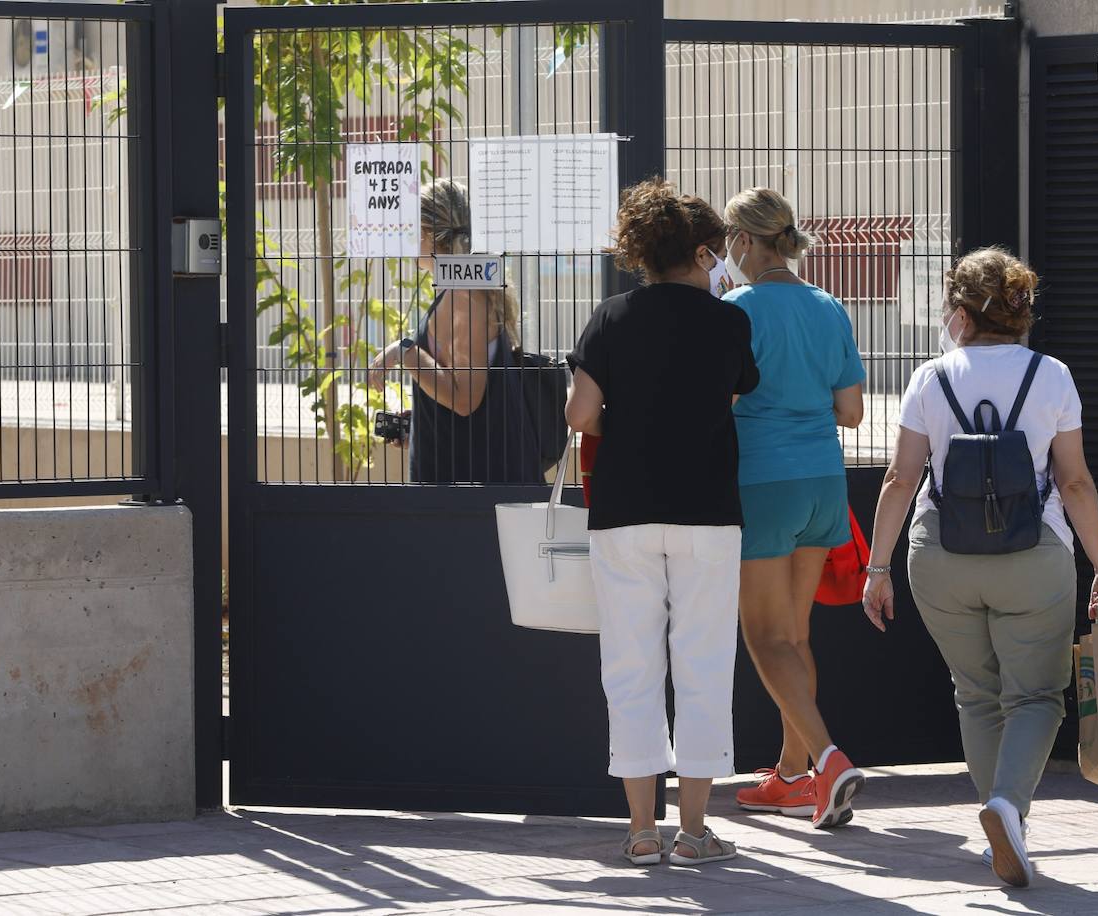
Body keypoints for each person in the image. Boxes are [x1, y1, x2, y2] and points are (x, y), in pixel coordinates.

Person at [862, 247, 1098, 888]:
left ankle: (1000, 830)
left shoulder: (931, 376)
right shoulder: (1052, 375)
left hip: (941, 558)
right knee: (1035, 696)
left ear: (961, 314)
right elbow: (1077, 483)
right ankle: (1007, 808)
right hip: (1033, 558)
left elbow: (899, 478)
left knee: (976, 695)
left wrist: (877, 568)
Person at [566, 179, 758, 866]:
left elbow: (579, 416)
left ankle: (641, 830)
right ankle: (695, 832)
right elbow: (738, 389)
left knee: (631, 666)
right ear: (704, 252)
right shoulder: (729, 321)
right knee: (703, 664)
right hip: (707, 512)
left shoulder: (612, 317)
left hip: (622, 512)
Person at [721, 188, 868, 828]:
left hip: (763, 482)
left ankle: (829, 759)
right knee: (796, 634)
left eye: (730, 237)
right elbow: (853, 412)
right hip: (822, 482)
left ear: (746, 241)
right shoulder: (829, 305)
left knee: (762, 636)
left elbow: (720, 403)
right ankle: (791, 776)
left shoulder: (737, 309)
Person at [368, 179, 542, 484]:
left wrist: (404, 351)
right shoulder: (464, 288)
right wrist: (424, 420)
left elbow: (465, 400)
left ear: (427, 233)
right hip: (469, 483)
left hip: (471, 493)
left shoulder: (463, 295)